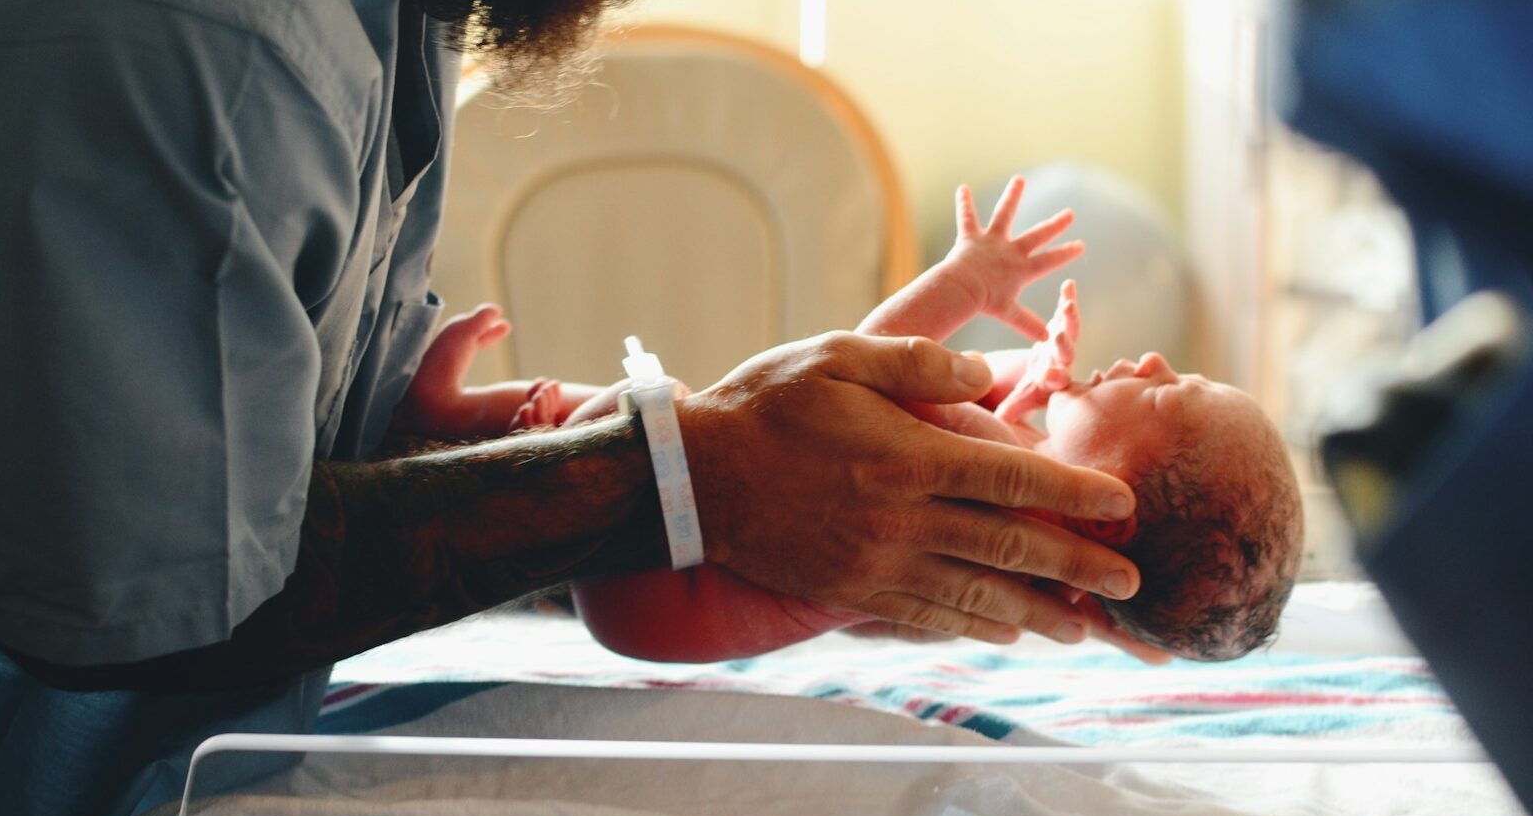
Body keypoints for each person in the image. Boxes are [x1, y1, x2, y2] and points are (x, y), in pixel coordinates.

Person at [0, 0, 1144, 816]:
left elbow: (148, 434)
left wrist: (377, 442)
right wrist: (680, 473)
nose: (1141, 370)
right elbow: (151, 594)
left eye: (1172, 398)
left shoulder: (389, 30)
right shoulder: (196, 45)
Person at [413, 179, 1303, 663]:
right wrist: (1039, 390)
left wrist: (970, 282)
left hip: (669, 580)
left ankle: (450, 421)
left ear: (1109, 511)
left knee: (630, 414)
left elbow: (854, 382)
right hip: (664, 609)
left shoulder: (993, 474)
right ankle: (460, 424)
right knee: (629, 420)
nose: (1149, 361)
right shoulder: (1035, 555)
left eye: (1163, 393)